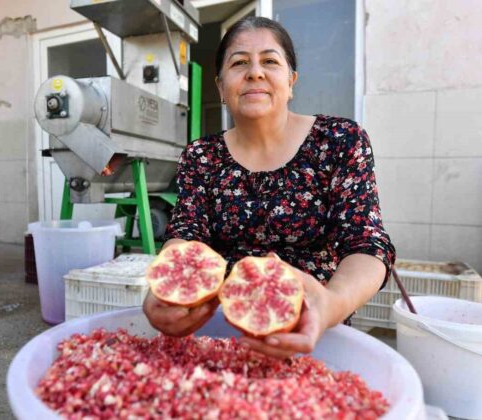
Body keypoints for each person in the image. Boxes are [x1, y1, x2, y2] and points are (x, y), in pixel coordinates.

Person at [143, 16, 396, 358]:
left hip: (316, 331)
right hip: (222, 331)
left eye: (270, 61)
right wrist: (167, 284)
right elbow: (186, 235)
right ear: (220, 87)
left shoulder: (340, 141)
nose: (255, 72)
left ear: (291, 81)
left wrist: (332, 304)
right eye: (239, 63)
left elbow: (367, 244)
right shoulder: (201, 156)